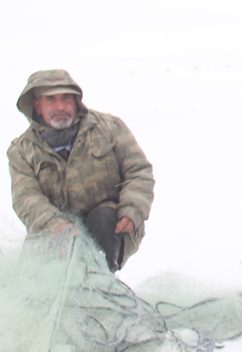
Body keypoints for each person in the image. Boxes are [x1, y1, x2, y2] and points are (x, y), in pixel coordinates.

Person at [8, 69, 154, 271]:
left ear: (77, 101)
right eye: (51, 99)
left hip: (109, 228)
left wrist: (132, 210)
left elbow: (138, 172)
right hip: (54, 233)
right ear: (37, 106)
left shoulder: (110, 128)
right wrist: (55, 224)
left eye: (66, 98)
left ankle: (103, 280)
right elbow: (25, 197)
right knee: (33, 273)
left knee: (103, 219)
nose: (60, 106)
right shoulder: (22, 150)